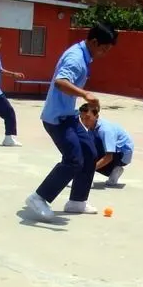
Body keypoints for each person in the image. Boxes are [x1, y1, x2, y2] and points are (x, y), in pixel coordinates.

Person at [25, 23, 118, 221]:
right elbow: (60, 82)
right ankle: (39, 198)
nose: (104, 54)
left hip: (69, 115)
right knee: (74, 160)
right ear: (94, 42)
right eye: (104, 49)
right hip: (57, 119)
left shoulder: (84, 55)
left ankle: (77, 201)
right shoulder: (76, 58)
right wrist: (85, 94)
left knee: (89, 152)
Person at [79, 103, 134, 186]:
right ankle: (114, 171)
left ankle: (87, 179)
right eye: (81, 118)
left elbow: (109, 157)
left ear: (96, 116)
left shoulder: (105, 130)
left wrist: (88, 171)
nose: (84, 122)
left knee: (89, 152)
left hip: (122, 156)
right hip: (115, 152)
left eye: (87, 118)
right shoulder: (92, 125)